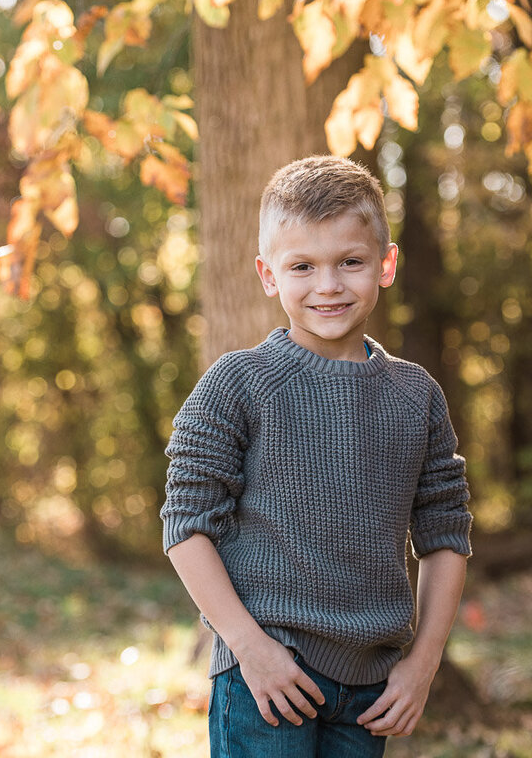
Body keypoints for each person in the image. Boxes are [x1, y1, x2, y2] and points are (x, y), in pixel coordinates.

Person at [160, 155, 472, 757]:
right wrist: (250, 648)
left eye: (349, 263)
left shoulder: (416, 397)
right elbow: (184, 526)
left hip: (372, 684)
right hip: (267, 675)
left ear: (385, 265)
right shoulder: (239, 383)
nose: (327, 285)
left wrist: (422, 664)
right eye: (302, 266)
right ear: (268, 274)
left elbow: (445, 535)